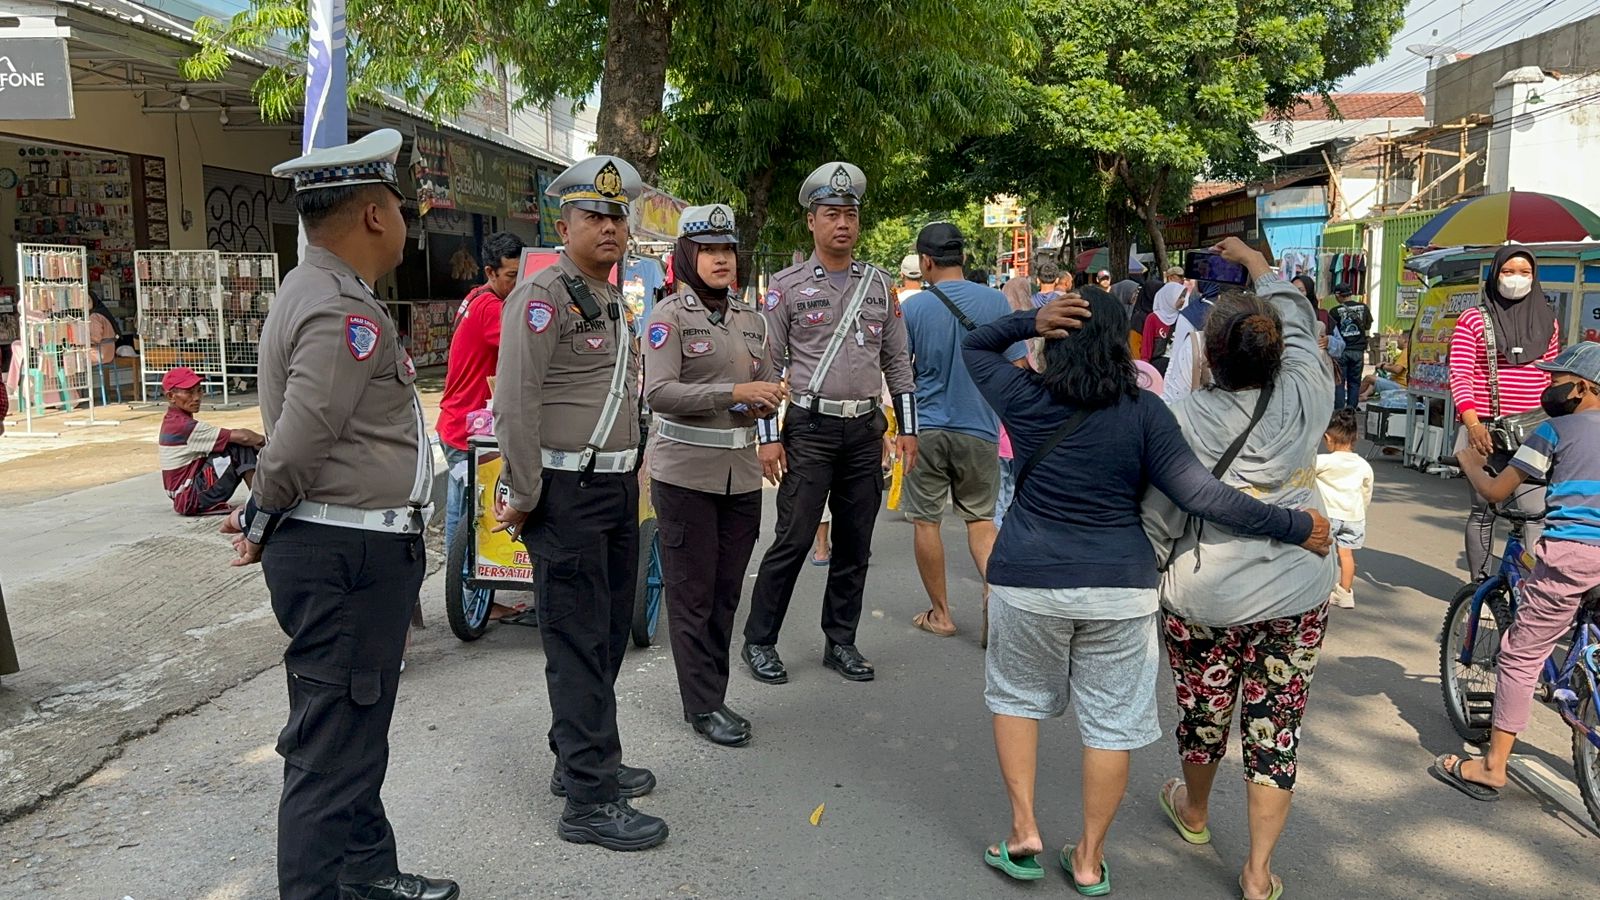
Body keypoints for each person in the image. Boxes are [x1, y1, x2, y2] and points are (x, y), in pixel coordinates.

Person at [963, 285, 1328, 892]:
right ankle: (1087, 858)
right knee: (1109, 726)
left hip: (1028, 580)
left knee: (1018, 699)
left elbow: (976, 346)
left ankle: (1025, 830)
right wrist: (1294, 525)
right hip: (1120, 590)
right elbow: (1201, 496)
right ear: (1119, 345)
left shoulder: (1022, 397)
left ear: (1055, 340)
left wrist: (1031, 318)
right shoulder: (1146, 412)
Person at [223, 130, 458, 900]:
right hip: (345, 556)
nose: (403, 217)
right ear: (370, 215)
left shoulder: (320, 289)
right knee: (332, 749)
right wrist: (261, 515)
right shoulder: (339, 309)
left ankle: (368, 873)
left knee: (352, 734)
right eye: (395, 203)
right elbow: (299, 438)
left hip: (347, 549)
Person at [1141, 237, 1336, 900]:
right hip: (1298, 587)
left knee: (1204, 710)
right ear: (1278, 352)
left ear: (1209, 355)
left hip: (1207, 596)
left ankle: (1193, 812)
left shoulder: (1179, 418)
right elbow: (1304, 327)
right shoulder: (1309, 390)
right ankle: (1257, 871)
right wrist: (1261, 267)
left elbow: (1161, 517)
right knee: (1277, 722)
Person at [492, 155, 668, 851]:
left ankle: (584, 761)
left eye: (617, 214)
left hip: (615, 488)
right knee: (574, 643)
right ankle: (588, 804)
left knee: (603, 635)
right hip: (566, 494)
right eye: (594, 215)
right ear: (563, 224)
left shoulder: (607, 296)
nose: (609, 226)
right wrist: (528, 493)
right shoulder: (542, 296)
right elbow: (514, 405)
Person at [743, 161, 918, 686]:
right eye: (831, 214)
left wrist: (907, 428)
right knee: (793, 539)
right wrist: (768, 438)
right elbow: (765, 367)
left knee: (855, 544)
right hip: (810, 428)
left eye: (850, 215)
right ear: (812, 223)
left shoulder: (878, 285)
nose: (842, 224)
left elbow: (898, 362)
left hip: (865, 430)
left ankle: (840, 641)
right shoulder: (786, 287)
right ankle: (760, 640)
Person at [1433, 342, 1600, 804]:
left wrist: (1469, 461)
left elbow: (1493, 490)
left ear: (1582, 388)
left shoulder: (1554, 430)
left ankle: (1491, 766)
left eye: (1556, 381)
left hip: (1573, 554)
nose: (1549, 388)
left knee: (1521, 655)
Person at [643, 203, 783, 747]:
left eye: (728, 249)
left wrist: (764, 400)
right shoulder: (667, 318)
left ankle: (713, 694)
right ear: (687, 255)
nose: (722, 259)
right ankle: (702, 705)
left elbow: (765, 383)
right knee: (692, 594)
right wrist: (733, 393)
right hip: (684, 478)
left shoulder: (752, 320)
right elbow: (659, 393)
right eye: (709, 250)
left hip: (741, 477)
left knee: (726, 593)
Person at [899, 222, 1025, 638]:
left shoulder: (913, 308)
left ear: (925, 262)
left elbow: (899, 374)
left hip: (927, 429)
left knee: (925, 521)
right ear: (965, 258)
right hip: (981, 429)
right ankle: (994, 599)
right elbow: (1020, 368)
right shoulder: (996, 302)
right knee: (981, 522)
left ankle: (941, 614)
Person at [1449, 244, 1560, 580]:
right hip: (1483, 431)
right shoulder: (1473, 320)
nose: (1516, 279)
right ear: (1495, 275)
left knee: (1534, 511)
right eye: (1508, 272)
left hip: (1534, 432)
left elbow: (1551, 377)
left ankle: (1531, 590)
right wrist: (1472, 424)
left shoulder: (1548, 322)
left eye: (1524, 273)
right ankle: (1480, 589)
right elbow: (1460, 374)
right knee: (1484, 510)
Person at [437, 231, 526, 578]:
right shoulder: (492, 309)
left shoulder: (477, 297)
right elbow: (531, 343)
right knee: (471, 516)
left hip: (459, 423)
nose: (518, 284)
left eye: (523, 275)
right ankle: (471, 592)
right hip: (466, 430)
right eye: (511, 277)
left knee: (461, 512)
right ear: (490, 272)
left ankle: (465, 594)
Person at [159, 366, 263, 516]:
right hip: (190, 497)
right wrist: (267, 442)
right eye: (189, 392)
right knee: (240, 446)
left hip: (186, 494)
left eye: (199, 390)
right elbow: (244, 437)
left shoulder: (173, 420)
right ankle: (260, 503)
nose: (196, 397)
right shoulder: (183, 426)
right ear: (171, 397)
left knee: (234, 443)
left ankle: (260, 498)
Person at [1317, 409, 1373, 609]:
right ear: (1355, 438)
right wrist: (1362, 512)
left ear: (1327, 438)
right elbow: (1366, 491)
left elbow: (1303, 478)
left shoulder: (1322, 462)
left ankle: (1319, 590)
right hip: (1354, 516)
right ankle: (1345, 593)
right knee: (1346, 555)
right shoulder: (1363, 465)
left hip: (1329, 514)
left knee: (1321, 552)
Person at [1161, 281, 1216, 403]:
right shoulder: (1249, 308)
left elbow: (1176, 358)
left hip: (1201, 396)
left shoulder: (1192, 313)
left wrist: (1167, 400)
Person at [1327, 285, 1372, 410]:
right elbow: (1367, 326)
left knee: (1339, 382)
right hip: (1358, 351)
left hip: (1342, 351)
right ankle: (1351, 410)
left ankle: (1339, 411)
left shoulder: (1334, 311)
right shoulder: (1364, 307)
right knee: (1355, 382)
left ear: (1338, 295)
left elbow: (1331, 331)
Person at [1141, 270, 1188, 375]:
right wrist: (1145, 369)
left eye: (1183, 296)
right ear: (1170, 297)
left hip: (1177, 367)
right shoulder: (1153, 318)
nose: (1183, 300)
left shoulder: (1182, 317)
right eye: (1179, 297)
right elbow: (1146, 346)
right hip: (1158, 367)